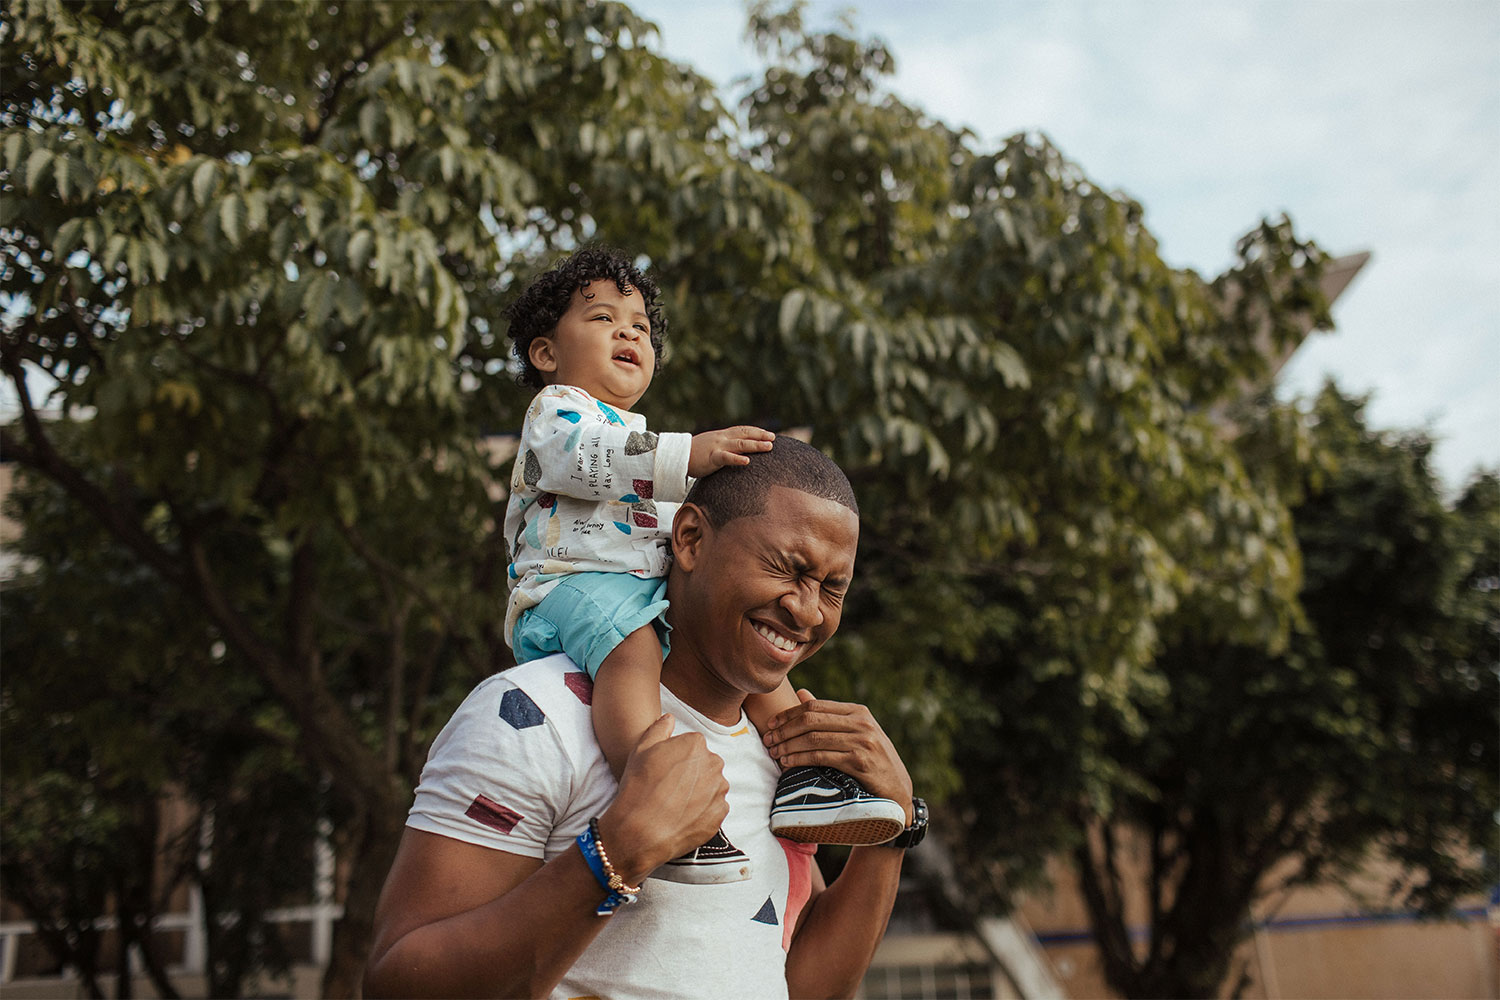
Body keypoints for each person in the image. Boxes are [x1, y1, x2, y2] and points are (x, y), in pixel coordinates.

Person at [362, 435, 929, 1000]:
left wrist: (894, 825)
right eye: (786, 567)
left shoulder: (779, 755)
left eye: (832, 588)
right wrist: (614, 854)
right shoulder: (535, 716)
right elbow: (397, 984)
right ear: (689, 539)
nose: (806, 610)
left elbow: (802, 986)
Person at [498, 247, 904, 883]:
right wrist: (691, 454)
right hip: (565, 585)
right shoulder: (558, 416)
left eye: (639, 326)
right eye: (603, 319)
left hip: (629, 586)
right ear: (546, 353)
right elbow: (586, 457)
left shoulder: (633, 433)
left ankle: (806, 779)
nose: (628, 332)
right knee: (632, 651)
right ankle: (656, 786)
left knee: (762, 671)